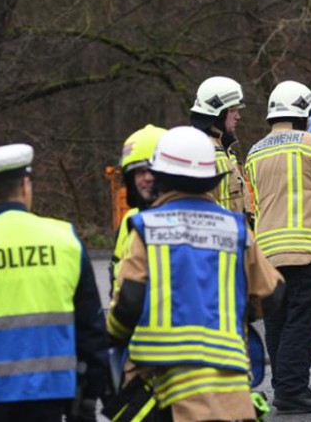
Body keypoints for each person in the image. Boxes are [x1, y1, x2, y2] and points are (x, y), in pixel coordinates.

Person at [106, 126, 284, 421]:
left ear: (160, 175)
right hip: (232, 384)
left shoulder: (148, 227)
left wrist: (112, 339)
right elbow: (274, 294)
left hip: (166, 384)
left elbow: (128, 301)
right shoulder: (236, 229)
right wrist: (241, 310)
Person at [0, 144, 109, 421]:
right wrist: (93, 393)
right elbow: (91, 328)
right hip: (52, 395)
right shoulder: (64, 239)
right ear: (25, 185)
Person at [244, 81, 311, 413]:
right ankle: (292, 390)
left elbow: (251, 204)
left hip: (267, 252)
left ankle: (283, 386)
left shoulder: (254, 151)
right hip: (306, 248)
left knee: (277, 320)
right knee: (303, 319)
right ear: (305, 114)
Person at [110, 124, 167, 297]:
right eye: (140, 172)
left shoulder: (192, 217)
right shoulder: (130, 220)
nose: (148, 178)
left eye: (153, 170)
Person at [190, 75, 253, 219]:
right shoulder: (199, 150)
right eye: (232, 110)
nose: (238, 117)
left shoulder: (226, 151)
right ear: (217, 113)